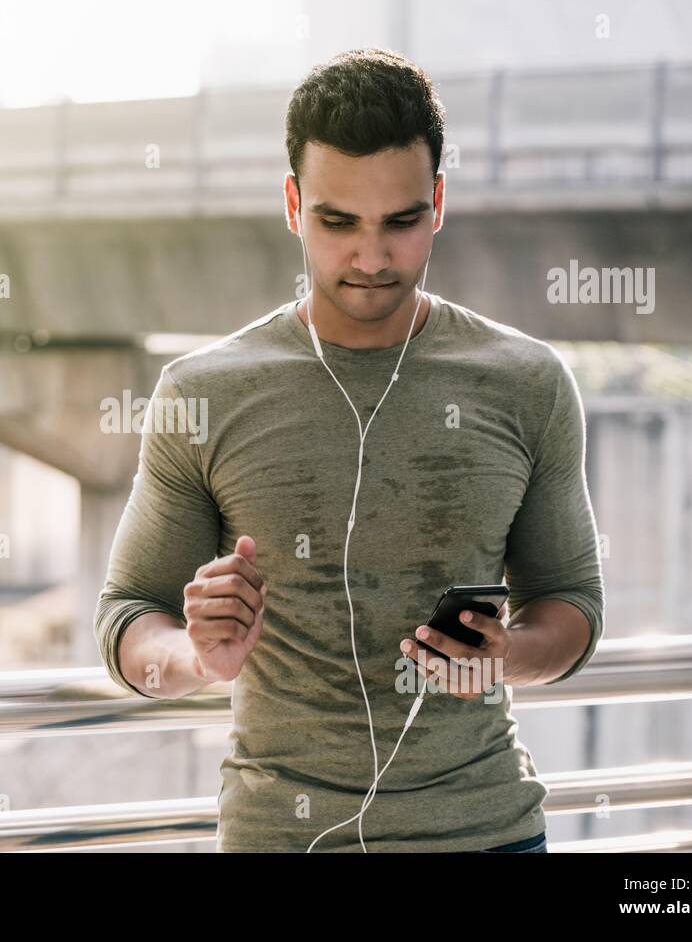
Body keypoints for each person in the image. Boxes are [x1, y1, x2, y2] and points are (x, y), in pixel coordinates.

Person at [94, 48, 603, 852]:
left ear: (437, 203)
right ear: (294, 205)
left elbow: (572, 602)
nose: (371, 258)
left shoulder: (527, 381)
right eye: (338, 222)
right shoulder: (204, 392)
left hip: (486, 833)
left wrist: (508, 655)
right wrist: (196, 656)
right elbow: (127, 619)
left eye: (400, 221)